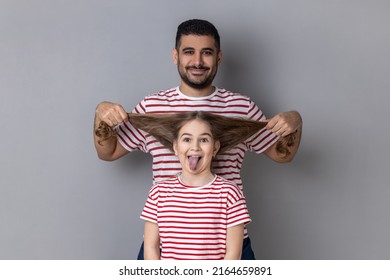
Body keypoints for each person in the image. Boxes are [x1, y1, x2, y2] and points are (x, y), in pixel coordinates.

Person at [93, 19, 302, 259]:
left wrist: (295, 122)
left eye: (207, 53)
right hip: (166, 246)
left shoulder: (241, 108)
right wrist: (101, 116)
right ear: (176, 56)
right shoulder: (152, 107)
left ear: (219, 57)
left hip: (229, 245)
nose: (198, 62)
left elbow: (282, 155)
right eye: (189, 52)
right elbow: (107, 152)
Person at [96, 111, 295, 259]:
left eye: (204, 140)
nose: (195, 146)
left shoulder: (229, 193)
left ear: (215, 148)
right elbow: (151, 248)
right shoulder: (158, 193)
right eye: (187, 139)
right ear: (175, 147)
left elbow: (233, 256)